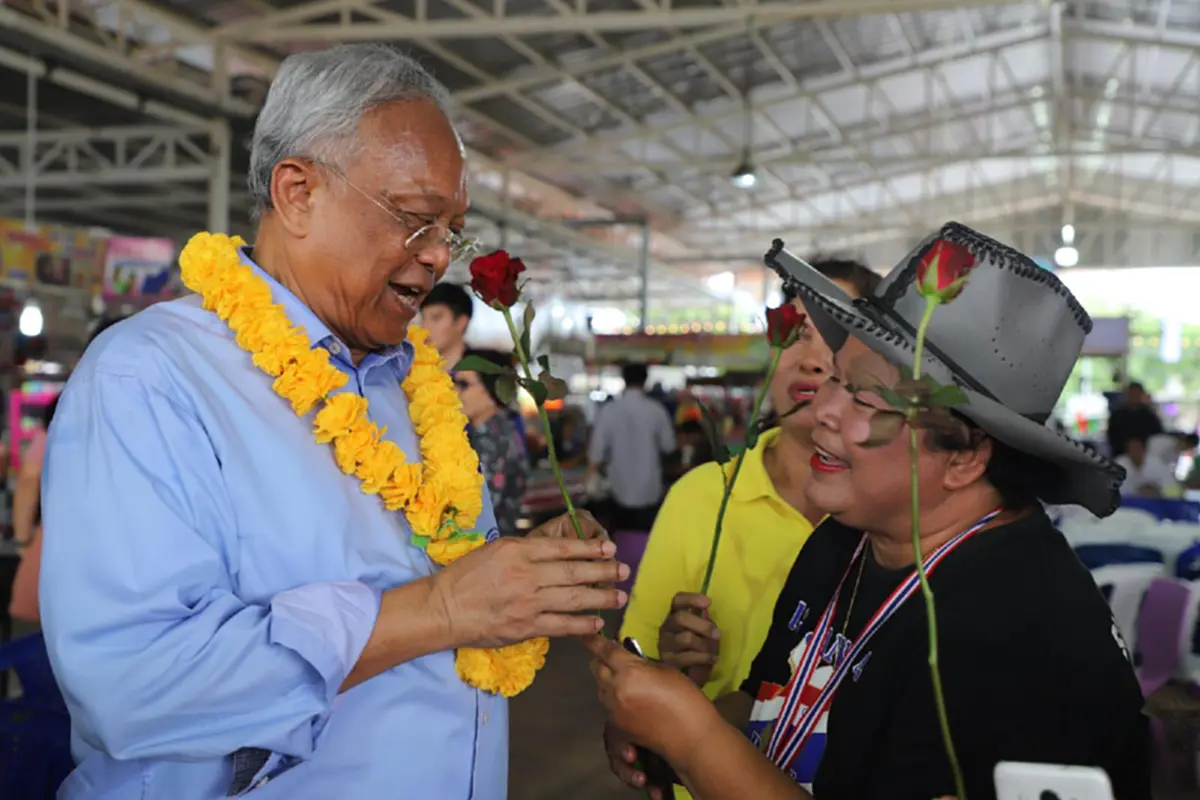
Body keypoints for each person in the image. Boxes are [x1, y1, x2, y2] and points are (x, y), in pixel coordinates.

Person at [39, 44, 625, 800]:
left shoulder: (412, 385)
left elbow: (434, 579)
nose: (440, 255)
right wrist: (441, 609)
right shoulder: (151, 378)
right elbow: (132, 685)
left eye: (453, 229)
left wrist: (507, 577)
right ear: (298, 192)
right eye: (416, 220)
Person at [590, 224, 1150, 800]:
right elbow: (771, 704)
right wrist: (664, 727)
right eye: (833, 379)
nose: (823, 412)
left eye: (862, 395)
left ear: (964, 458)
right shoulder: (844, 543)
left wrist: (695, 740)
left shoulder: (1026, 638)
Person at [611, 259, 880, 799]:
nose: (809, 359)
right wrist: (668, 669)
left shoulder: (887, 520)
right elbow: (633, 671)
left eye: (835, 336)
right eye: (794, 334)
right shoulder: (701, 496)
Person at [9, 316, 126, 625]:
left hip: (51, 574)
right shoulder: (157, 417)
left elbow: (30, 477)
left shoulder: (67, 408)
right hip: (114, 595)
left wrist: (23, 542)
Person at [588, 363, 676, 531]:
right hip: (650, 491)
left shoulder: (609, 410)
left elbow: (596, 451)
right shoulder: (656, 410)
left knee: (619, 544)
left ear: (624, 380)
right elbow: (669, 446)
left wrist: (591, 478)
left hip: (618, 490)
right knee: (645, 545)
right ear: (645, 381)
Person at [454, 347, 530, 537]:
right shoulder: (495, 430)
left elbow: (473, 512)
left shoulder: (493, 440)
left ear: (491, 388)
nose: (454, 391)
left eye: (463, 384)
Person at [420, 281, 473, 369]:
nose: (424, 327)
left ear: (461, 322)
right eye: (423, 318)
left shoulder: (487, 374)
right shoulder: (410, 371)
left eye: (436, 318)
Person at [1106, 381, 1162, 459]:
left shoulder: (1149, 416)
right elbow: (1112, 437)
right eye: (1132, 394)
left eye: (1137, 394)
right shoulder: (1117, 416)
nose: (1134, 397)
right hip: (1122, 455)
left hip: (1145, 456)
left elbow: (1157, 436)